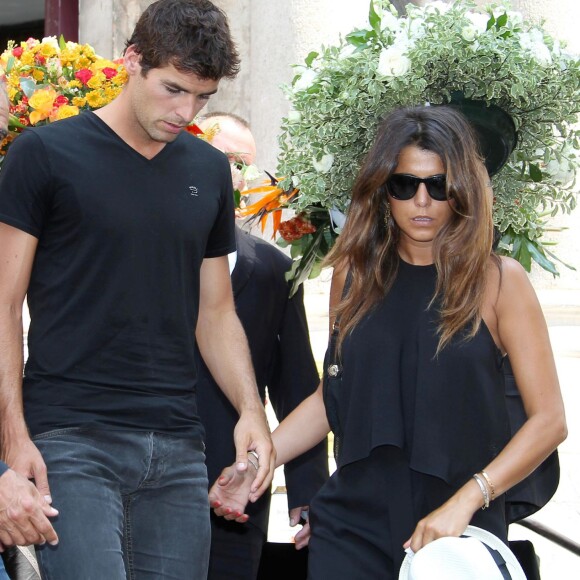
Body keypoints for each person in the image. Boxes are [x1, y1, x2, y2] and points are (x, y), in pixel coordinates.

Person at [209, 105, 567, 579]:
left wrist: (467, 501)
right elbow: (331, 396)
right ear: (383, 191)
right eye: (405, 185)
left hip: (457, 534)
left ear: (462, 191)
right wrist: (257, 463)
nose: (422, 201)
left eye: (438, 185)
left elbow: (550, 422)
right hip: (351, 526)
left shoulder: (499, 283)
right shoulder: (352, 277)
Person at [0, 1, 275, 578]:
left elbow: (216, 311)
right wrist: (12, 439)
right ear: (131, 61)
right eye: (174, 89)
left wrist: (252, 410)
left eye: (202, 97)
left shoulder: (206, 169)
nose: (186, 110)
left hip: (179, 446)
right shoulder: (44, 155)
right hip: (71, 437)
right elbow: (2, 303)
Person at [196, 112, 328, 580]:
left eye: (245, 164)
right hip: (149, 477)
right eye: (223, 158)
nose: (234, 174)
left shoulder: (275, 269)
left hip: (239, 490)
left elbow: (299, 385)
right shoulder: (150, 250)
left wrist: (310, 495)